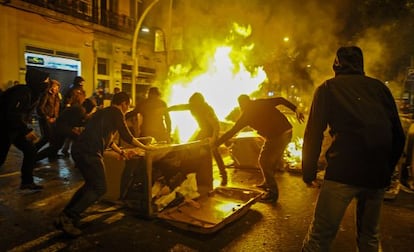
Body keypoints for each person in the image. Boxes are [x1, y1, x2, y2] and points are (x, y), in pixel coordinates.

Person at [301, 46, 406, 251]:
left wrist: (309, 172)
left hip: (343, 171)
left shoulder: (328, 88)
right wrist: (387, 168)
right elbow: (398, 135)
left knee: (320, 237)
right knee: (370, 237)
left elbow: (313, 133)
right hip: (377, 175)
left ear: (336, 63)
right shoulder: (379, 88)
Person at [54, 92, 156, 237]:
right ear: (124, 103)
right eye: (128, 105)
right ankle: (68, 217)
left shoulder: (103, 112)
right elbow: (127, 136)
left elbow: (108, 139)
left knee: (90, 185)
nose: (128, 109)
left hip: (79, 150)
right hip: (90, 152)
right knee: (100, 188)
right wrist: (146, 147)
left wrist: (120, 151)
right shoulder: (117, 112)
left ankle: (67, 216)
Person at [215, 94, 304, 203]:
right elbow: (280, 100)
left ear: (241, 105)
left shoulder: (246, 115)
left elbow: (232, 131)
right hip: (285, 131)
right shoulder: (260, 102)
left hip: (278, 136)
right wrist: (296, 109)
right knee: (267, 159)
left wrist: (216, 143)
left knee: (264, 162)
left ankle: (273, 193)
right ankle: (267, 182)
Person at [0, 68, 49, 190]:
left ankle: (27, 182)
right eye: (45, 81)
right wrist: (26, 130)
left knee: (30, 151)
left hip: (15, 128)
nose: (47, 83)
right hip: (4, 127)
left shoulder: (34, 93)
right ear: (36, 81)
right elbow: (12, 114)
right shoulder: (23, 92)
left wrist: (25, 129)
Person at [169, 92, 228, 185]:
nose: (191, 105)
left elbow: (216, 125)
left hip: (211, 132)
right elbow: (181, 107)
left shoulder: (207, 109)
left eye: (193, 103)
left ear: (199, 102)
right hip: (202, 130)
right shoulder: (193, 106)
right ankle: (194, 171)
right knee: (190, 146)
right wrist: (169, 109)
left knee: (214, 151)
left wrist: (213, 139)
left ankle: (223, 175)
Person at [35, 79, 61, 151]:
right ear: (51, 87)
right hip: (45, 119)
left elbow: (58, 107)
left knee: (53, 137)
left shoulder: (57, 96)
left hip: (54, 119)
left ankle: (52, 153)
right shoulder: (46, 94)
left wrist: (56, 117)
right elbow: (40, 107)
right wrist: (46, 117)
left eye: (57, 87)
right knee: (47, 136)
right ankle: (33, 150)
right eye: (55, 86)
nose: (56, 88)